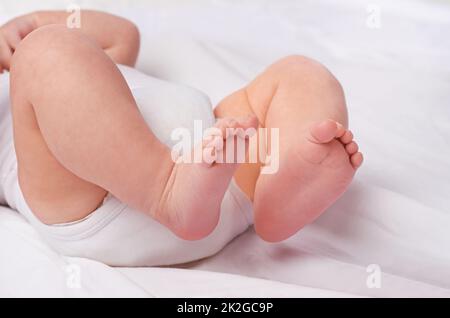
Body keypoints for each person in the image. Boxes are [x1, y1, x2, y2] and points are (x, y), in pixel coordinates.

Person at [0, 10, 362, 266]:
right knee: (46, 52)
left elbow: (123, 35)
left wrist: (32, 23)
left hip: (218, 172)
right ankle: (164, 188)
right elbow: (53, 53)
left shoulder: (65, 55)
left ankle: (282, 182)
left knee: (298, 73)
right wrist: (39, 42)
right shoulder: (29, 73)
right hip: (93, 196)